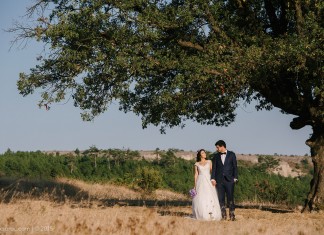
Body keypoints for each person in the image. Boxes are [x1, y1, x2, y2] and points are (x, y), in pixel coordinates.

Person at [211, 140, 238, 221]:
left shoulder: (231, 154)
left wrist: (235, 178)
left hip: (230, 180)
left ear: (222, 146)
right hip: (219, 181)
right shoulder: (215, 156)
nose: (217, 149)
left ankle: (232, 215)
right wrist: (213, 178)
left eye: (217, 147)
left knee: (230, 198)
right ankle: (223, 216)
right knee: (221, 199)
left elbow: (235, 167)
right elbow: (214, 169)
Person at [192, 149, 222, 221]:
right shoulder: (197, 164)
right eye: (203, 153)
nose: (204, 154)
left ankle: (212, 214)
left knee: (210, 195)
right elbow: (196, 174)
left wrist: (214, 179)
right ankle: (202, 214)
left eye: (205, 152)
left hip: (208, 180)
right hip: (200, 180)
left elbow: (212, 171)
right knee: (201, 197)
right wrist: (195, 185)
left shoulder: (209, 162)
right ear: (200, 155)